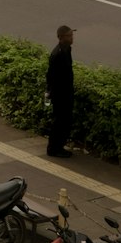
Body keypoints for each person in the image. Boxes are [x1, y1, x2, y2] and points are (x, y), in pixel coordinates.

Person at [46, 25, 76, 157]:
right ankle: (54, 149)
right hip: (60, 95)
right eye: (69, 36)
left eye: (72, 35)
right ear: (61, 37)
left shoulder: (66, 50)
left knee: (65, 121)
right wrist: (54, 94)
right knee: (59, 122)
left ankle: (59, 146)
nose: (72, 38)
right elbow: (52, 77)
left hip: (66, 92)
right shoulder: (57, 54)